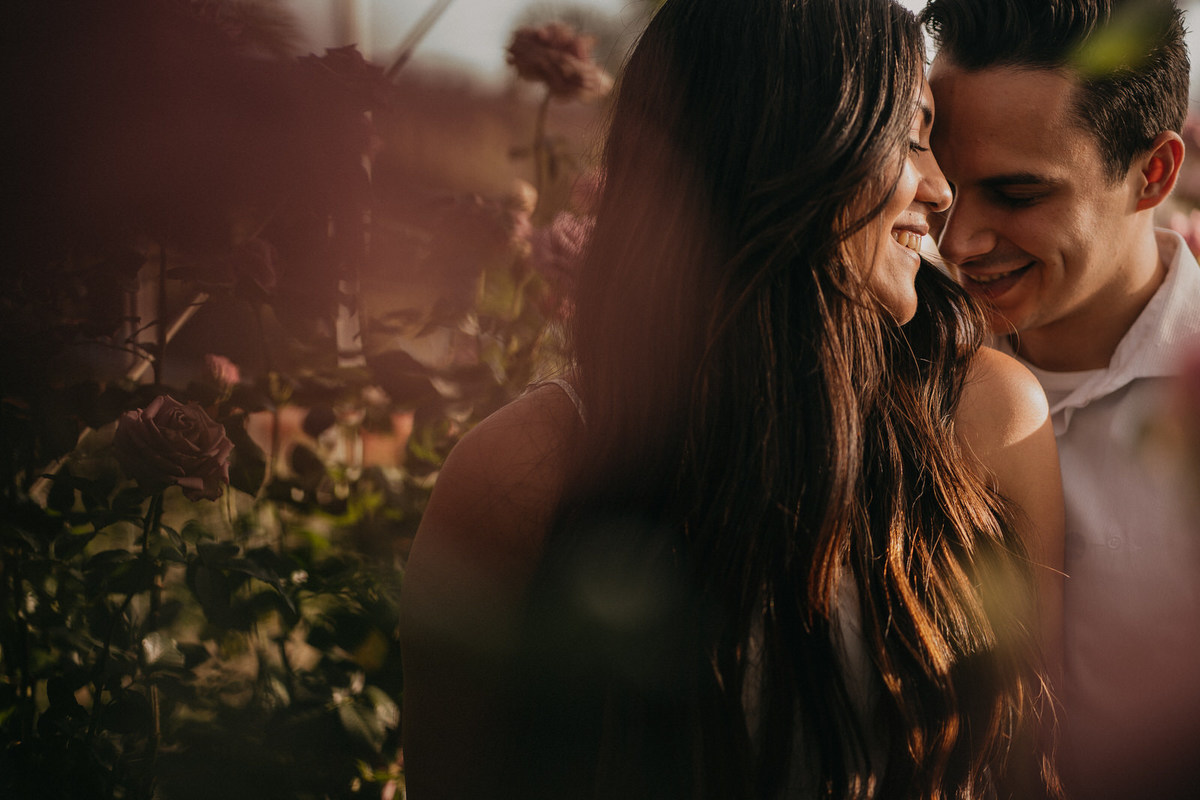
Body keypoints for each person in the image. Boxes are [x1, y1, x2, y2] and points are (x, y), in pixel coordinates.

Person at [399, 0, 1065, 797]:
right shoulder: (523, 472)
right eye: (912, 138)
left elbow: (1029, 768)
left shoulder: (986, 424)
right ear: (797, 149)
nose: (942, 190)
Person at [920, 0, 1200, 796]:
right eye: (944, 185)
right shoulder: (897, 368)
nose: (959, 240)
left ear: (1153, 173)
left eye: (1015, 194)